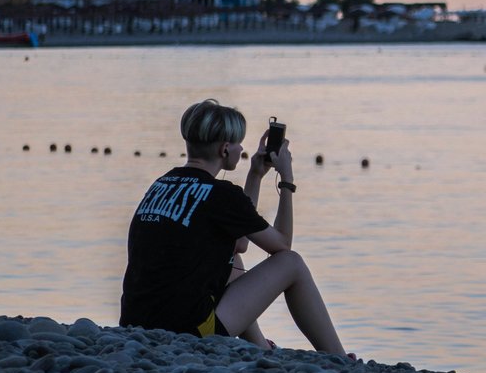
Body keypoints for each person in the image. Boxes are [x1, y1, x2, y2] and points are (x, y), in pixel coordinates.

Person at [120, 99, 351, 358]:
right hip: (186, 332)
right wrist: (287, 180)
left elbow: (239, 243)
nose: (242, 149)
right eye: (238, 143)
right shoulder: (221, 195)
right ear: (225, 149)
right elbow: (282, 245)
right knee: (292, 263)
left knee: (232, 259)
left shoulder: (162, 184)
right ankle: (338, 357)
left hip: (136, 324)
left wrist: (255, 176)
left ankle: (259, 346)